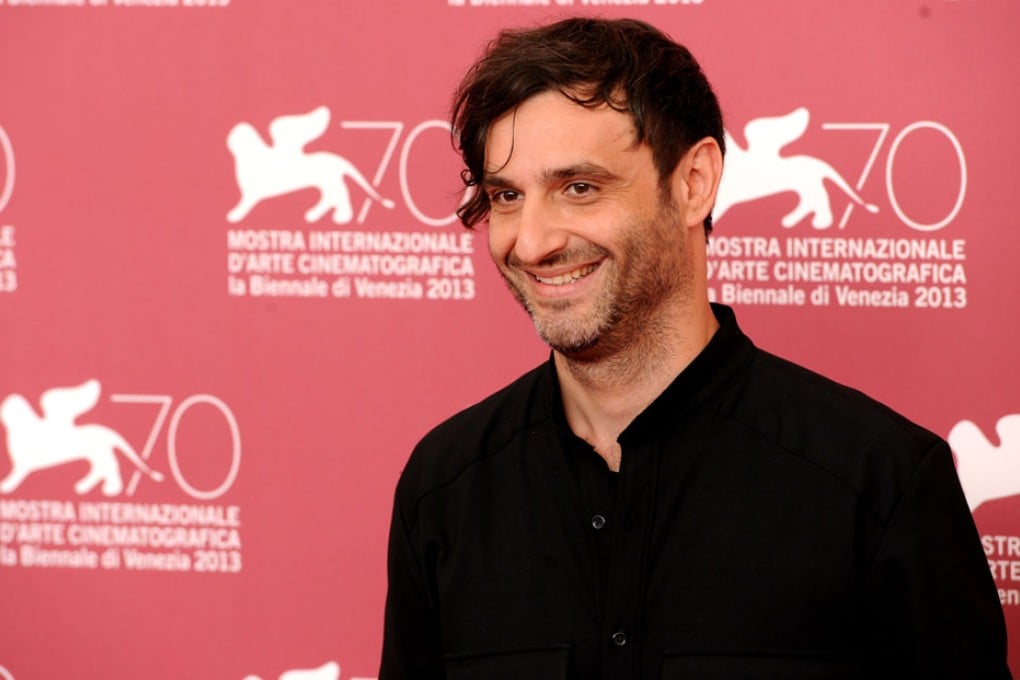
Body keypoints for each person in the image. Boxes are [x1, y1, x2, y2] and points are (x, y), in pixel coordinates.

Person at [380, 17, 1010, 679]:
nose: (530, 242)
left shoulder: (879, 484)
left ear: (694, 182)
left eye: (580, 187)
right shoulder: (445, 488)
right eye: (507, 196)